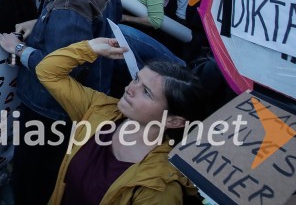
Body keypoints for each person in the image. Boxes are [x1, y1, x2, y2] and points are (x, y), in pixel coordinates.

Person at [0, 0, 112, 205]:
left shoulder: (72, 1)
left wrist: (17, 48)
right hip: (57, 110)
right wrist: (39, 24)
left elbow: (58, 67)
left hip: (47, 110)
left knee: (31, 182)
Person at [32, 38, 203, 204]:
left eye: (146, 92)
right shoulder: (101, 110)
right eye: (136, 79)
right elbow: (47, 72)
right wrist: (90, 47)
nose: (130, 88)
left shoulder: (159, 187)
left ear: (174, 121)